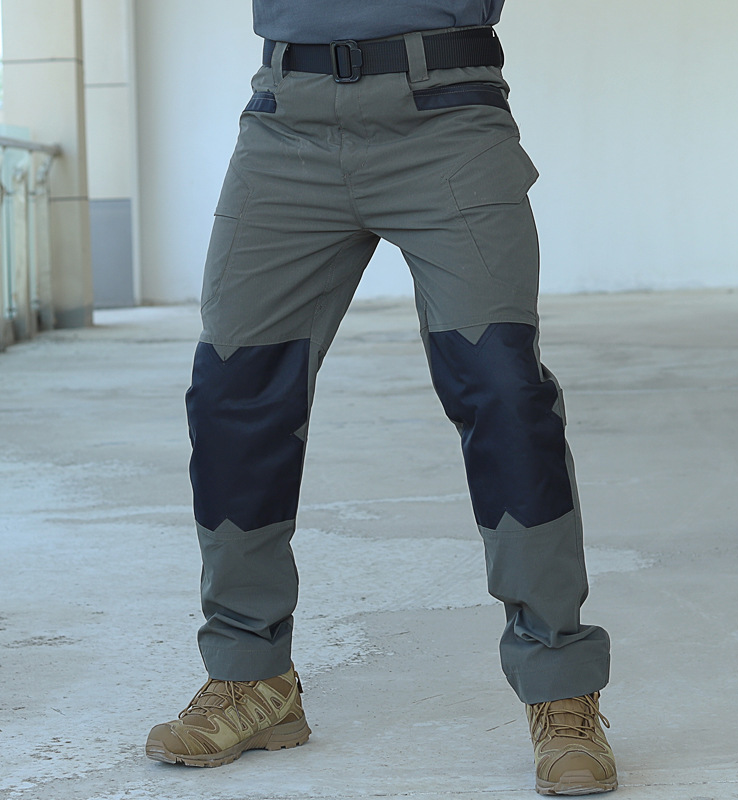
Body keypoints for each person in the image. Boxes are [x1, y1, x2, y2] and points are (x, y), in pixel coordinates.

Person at [146, 2, 618, 795]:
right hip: (286, 118)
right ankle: (251, 677)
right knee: (233, 389)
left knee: (504, 389)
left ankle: (561, 684)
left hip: (447, 111)